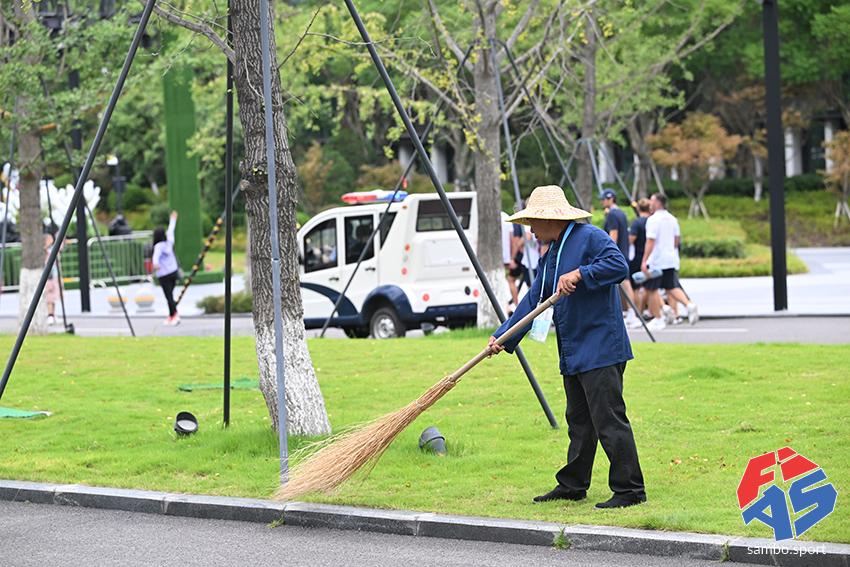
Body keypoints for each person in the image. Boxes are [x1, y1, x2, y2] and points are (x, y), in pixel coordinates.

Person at [488, 185, 646, 509]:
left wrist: (581, 273)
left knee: (608, 419)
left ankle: (630, 489)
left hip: (601, 347)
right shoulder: (551, 254)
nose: (530, 230)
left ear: (550, 218)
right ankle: (573, 484)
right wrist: (503, 337)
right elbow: (534, 300)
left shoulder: (591, 237)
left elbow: (618, 265)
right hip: (574, 350)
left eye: (533, 222)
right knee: (579, 422)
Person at [640, 193, 698, 330]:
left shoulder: (653, 220)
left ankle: (658, 318)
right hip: (670, 258)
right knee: (671, 286)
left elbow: (650, 241)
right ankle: (689, 304)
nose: (650, 203)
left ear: (658, 203)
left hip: (657, 259)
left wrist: (645, 260)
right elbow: (676, 240)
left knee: (651, 289)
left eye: (652, 201)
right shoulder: (672, 219)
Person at [600, 189, 638, 328]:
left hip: (617, 254)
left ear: (611, 199)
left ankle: (632, 314)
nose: (602, 202)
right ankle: (630, 313)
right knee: (624, 284)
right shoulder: (621, 213)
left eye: (604, 199)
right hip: (624, 252)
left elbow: (613, 235)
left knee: (625, 285)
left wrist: (607, 253)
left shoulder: (612, 214)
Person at [627, 199, 652, 327]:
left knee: (636, 287)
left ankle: (637, 313)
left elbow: (631, 239)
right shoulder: (652, 221)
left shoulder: (637, 223)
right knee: (649, 286)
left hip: (638, 256)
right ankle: (649, 310)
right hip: (651, 256)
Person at [152, 211, 180, 326]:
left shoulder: (158, 246)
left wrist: (155, 265)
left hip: (164, 274)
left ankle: (175, 315)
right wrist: (173, 219)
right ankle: (171, 315)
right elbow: (171, 230)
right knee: (170, 295)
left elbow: (155, 258)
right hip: (173, 271)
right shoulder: (169, 241)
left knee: (169, 296)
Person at [44, 233, 60, 326]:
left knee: (54, 297)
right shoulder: (45, 252)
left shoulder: (52, 249)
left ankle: (53, 314)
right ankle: (50, 315)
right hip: (48, 277)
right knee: (49, 297)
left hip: (54, 276)